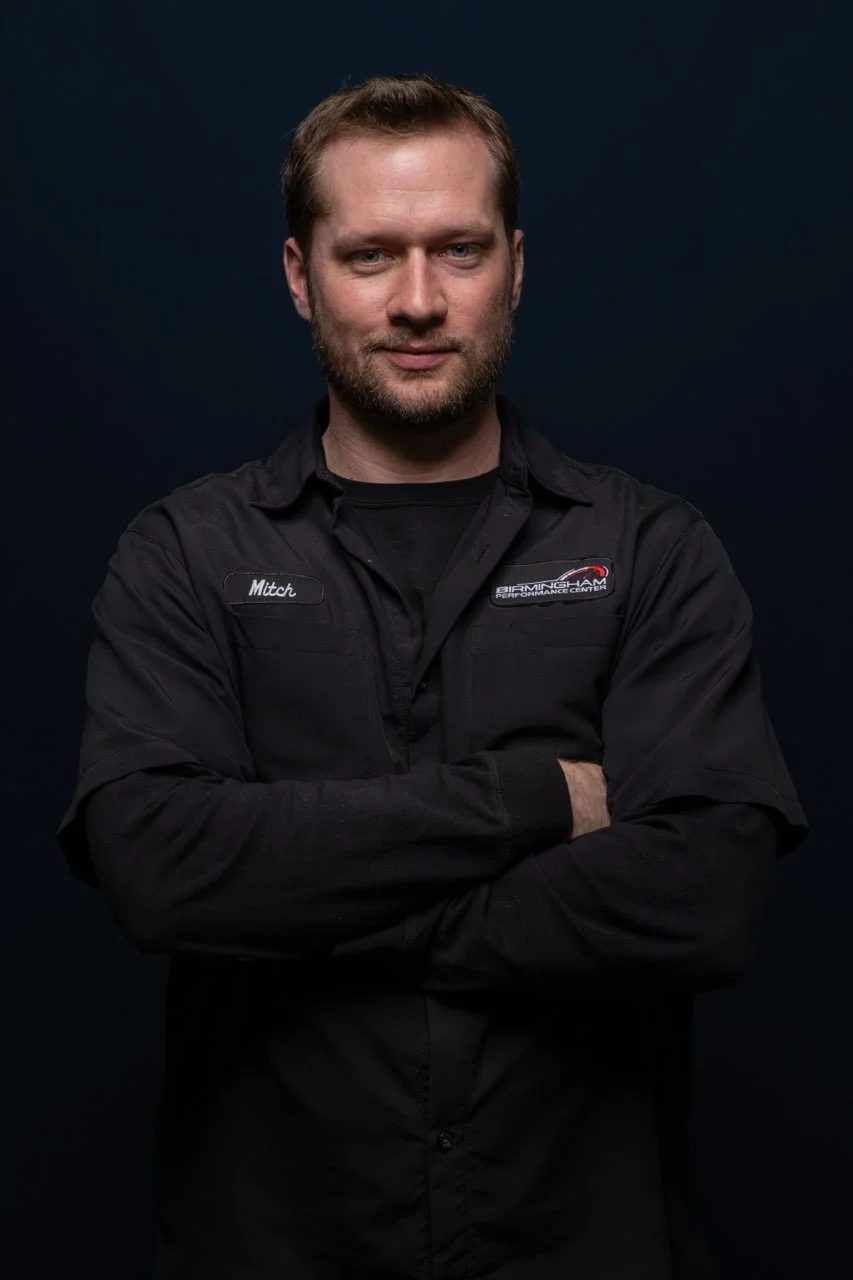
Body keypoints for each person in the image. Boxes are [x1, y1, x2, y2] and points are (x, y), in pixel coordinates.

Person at [57, 73, 809, 1280]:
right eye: (370, 256)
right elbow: (157, 862)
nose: (418, 300)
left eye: (457, 250)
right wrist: (534, 801)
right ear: (301, 275)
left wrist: (308, 909)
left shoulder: (650, 548)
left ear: (515, 263)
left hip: (583, 1245)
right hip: (273, 1245)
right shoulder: (188, 553)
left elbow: (707, 892)